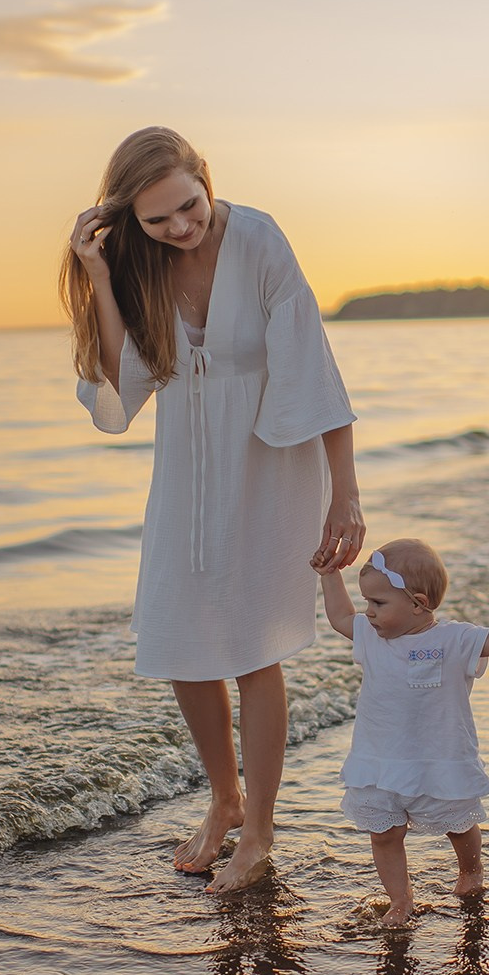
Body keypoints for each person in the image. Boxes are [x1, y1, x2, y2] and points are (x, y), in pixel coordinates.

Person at [62, 125, 363, 892]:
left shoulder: (258, 240)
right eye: (157, 218)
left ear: (206, 176)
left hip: (270, 460)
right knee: (179, 635)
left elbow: (316, 370)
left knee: (253, 646)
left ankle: (258, 828)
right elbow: (121, 384)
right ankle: (224, 798)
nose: (180, 226)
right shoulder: (135, 261)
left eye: (188, 206)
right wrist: (98, 272)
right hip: (186, 468)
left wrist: (346, 494)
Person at [320, 538, 489, 926]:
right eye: (366, 602)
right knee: (384, 834)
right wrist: (330, 574)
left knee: (459, 825)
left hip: (438, 760)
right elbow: (340, 617)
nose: (368, 612)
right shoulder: (370, 635)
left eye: (378, 603)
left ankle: (471, 871)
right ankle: (400, 899)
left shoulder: (454, 639)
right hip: (379, 763)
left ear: (418, 603)